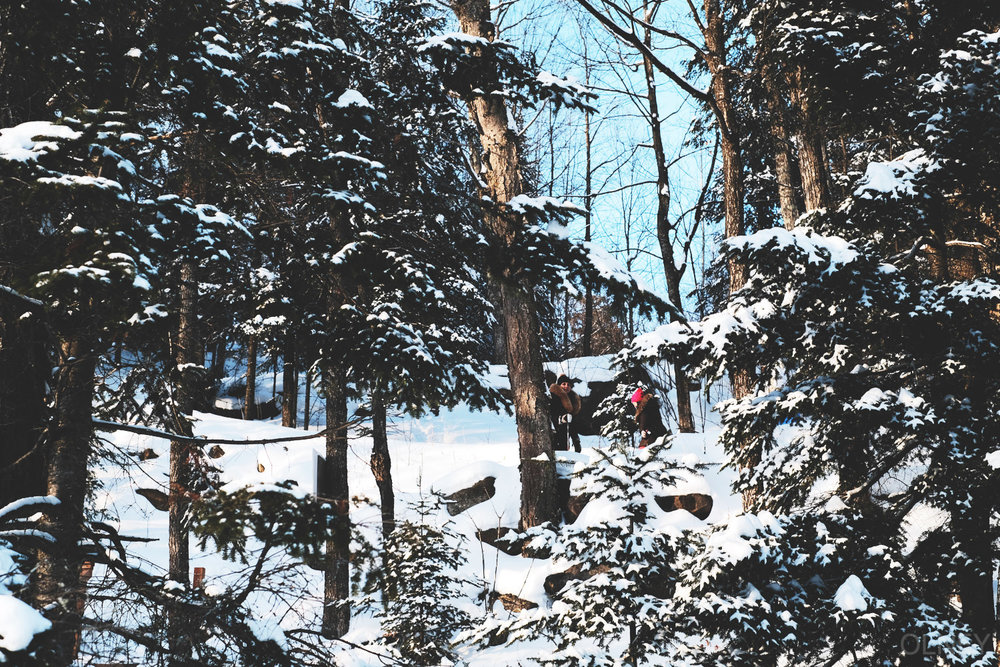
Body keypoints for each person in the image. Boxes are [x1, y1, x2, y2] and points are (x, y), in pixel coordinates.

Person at [549, 374, 582, 452]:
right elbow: (553, 413)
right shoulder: (553, 397)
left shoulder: (572, 401)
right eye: (563, 384)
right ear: (559, 385)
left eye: (568, 385)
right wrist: (561, 418)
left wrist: (576, 440)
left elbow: (572, 425)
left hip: (565, 435)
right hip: (554, 432)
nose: (566, 386)